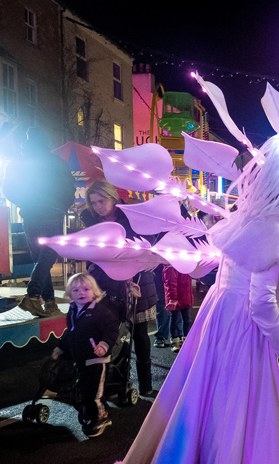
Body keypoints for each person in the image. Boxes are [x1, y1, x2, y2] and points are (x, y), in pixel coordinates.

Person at [108, 130, 279, 464]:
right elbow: (263, 305)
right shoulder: (274, 238)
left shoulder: (244, 223)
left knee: (199, 403)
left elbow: (243, 278)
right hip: (243, 332)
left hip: (216, 321)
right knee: (235, 412)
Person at [80, 179, 158, 396]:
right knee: (111, 332)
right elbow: (91, 254)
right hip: (107, 287)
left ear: (113, 198)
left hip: (138, 283)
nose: (98, 206)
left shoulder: (132, 217)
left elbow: (147, 245)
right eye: (94, 203)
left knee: (140, 335)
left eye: (102, 200)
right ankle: (113, 380)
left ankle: (146, 384)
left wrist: (133, 265)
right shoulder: (93, 223)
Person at [2, 127, 76, 318]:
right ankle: (33, 296)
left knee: (41, 260)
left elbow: (8, 190)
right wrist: (61, 206)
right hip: (52, 214)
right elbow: (69, 189)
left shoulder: (16, 163)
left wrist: (25, 203)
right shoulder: (56, 162)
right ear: (46, 142)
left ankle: (49, 302)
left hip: (30, 215)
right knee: (47, 257)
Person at [52, 272, 120, 437]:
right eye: (75, 290)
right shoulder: (73, 310)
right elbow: (71, 333)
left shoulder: (100, 311)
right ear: (70, 294)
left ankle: (100, 416)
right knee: (86, 389)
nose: (81, 293)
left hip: (97, 358)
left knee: (94, 392)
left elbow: (111, 329)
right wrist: (61, 348)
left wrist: (104, 345)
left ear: (94, 292)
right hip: (81, 358)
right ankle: (93, 410)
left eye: (86, 289)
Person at [162, 264, 194, 352]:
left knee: (186, 319)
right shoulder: (171, 266)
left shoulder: (185, 265)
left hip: (185, 296)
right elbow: (170, 283)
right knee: (175, 319)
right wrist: (173, 299)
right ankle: (174, 341)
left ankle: (185, 341)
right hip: (176, 298)